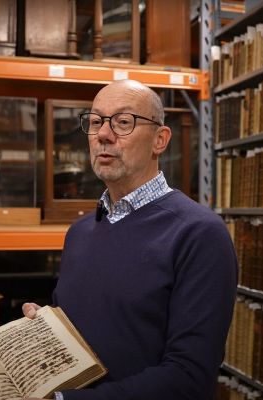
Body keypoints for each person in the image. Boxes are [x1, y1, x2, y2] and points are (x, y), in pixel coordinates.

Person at [23, 80, 237, 399]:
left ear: (160, 140)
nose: (103, 135)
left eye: (124, 122)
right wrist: (46, 330)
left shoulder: (200, 233)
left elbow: (189, 376)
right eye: (95, 122)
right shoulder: (79, 232)